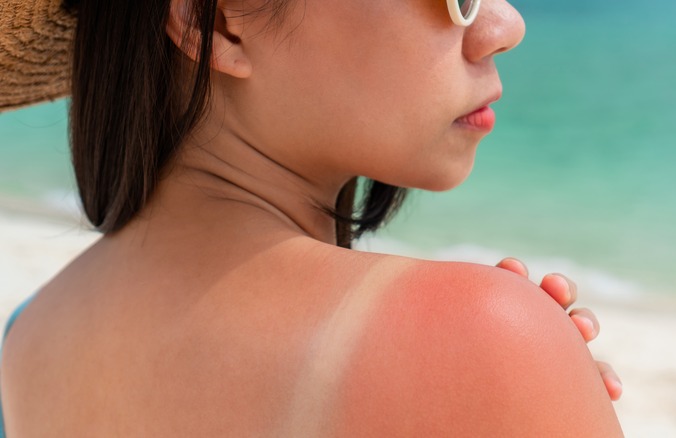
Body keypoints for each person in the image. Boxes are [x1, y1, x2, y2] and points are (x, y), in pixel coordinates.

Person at [0, 0, 623, 435]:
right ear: (218, 22)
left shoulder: (24, 341)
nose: (504, 25)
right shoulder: (487, 334)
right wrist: (517, 364)